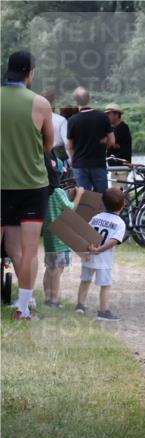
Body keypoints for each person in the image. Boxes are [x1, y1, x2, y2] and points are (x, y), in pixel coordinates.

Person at [1, 50, 54, 321]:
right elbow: (48, 144)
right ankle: (23, 307)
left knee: (11, 244)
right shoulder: (41, 103)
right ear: (30, 73)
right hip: (32, 184)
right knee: (30, 248)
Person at [75, 188, 127, 321]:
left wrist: (89, 248)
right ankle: (103, 311)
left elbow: (86, 233)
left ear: (103, 204)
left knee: (85, 281)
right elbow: (114, 241)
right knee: (105, 286)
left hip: (89, 255)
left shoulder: (96, 217)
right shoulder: (120, 223)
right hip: (104, 260)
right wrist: (100, 250)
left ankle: (80, 306)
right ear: (123, 205)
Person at [42, 155, 81, 307]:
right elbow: (70, 208)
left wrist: (69, 196)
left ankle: (47, 298)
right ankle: (54, 300)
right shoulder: (57, 192)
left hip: (49, 234)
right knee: (58, 269)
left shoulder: (44, 192)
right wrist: (79, 195)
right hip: (60, 234)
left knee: (50, 267)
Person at [65, 86, 113, 193]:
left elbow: (69, 146)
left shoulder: (72, 120)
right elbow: (112, 141)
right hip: (98, 163)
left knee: (84, 199)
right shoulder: (102, 117)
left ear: (76, 101)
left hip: (80, 165)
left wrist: (75, 159)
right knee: (101, 198)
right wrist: (104, 147)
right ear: (89, 98)